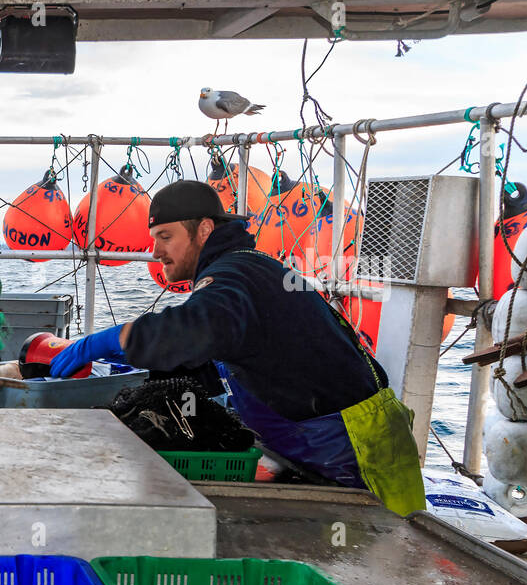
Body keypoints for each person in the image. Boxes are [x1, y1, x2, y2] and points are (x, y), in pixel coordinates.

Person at [51, 180, 425, 515]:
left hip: (356, 445)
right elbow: (214, 352)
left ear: (204, 229)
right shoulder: (244, 268)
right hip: (312, 443)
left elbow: (195, 329)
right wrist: (131, 361)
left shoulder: (233, 275)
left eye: (165, 236)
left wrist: (113, 338)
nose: (155, 251)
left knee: (380, 552)